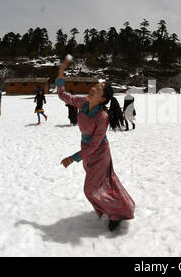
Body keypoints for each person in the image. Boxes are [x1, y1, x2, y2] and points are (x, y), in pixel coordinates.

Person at [57, 55, 135, 232]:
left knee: (91, 190)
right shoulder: (83, 102)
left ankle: (118, 213)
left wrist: (73, 158)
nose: (93, 89)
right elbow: (63, 95)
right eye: (95, 86)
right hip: (87, 152)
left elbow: (94, 145)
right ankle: (114, 208)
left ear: (102, 99)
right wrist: (61, 73)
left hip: (99, 154)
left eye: (98, 89)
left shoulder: (103, 117)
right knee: (100, 187)